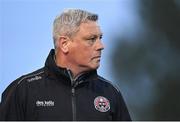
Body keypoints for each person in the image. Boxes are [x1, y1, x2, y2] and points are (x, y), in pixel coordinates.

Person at [0, 8, 131, 121]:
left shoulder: (111, 92)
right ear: (64, 44)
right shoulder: (23, 90)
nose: (101, 46)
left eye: (100, 38)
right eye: (91, 39)